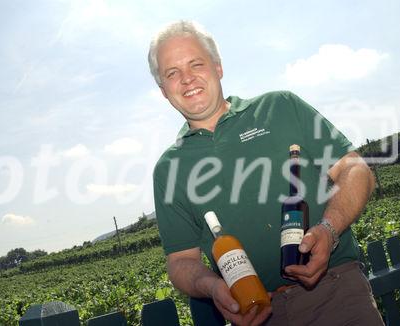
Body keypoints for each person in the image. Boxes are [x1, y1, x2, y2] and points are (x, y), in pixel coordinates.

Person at [149, 20, 384, 326]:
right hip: (257, 314)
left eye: (196, 64)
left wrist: (328, 229)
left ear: (218, 68)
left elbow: (355, 171)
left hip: (334, 295)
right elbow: (181, 261)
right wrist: (213, 286)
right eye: (172, 73)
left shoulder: (281, 107)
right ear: (164, 90)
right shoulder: (169, 170)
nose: (187, 79)